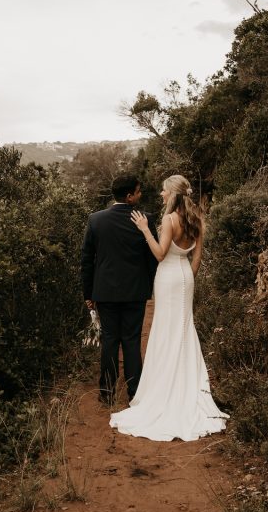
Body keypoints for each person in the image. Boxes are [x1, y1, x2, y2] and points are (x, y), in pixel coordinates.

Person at [109, 174, 228, 441]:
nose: (161, 194)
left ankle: (163, 392)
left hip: (167, 277)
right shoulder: (196, 218)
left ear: (172, 194)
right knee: (185, 329)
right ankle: (188, 387)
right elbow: (197, 259)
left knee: (165, 329)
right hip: (185, 276)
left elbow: (160, 254)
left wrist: (144, 229)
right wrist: (187, 277)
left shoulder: (168, 219)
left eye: (164, 191)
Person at [81, 174, 158, 406]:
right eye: (138, 191)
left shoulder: (96, 220)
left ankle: (107, 394)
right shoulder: (146, 219)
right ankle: (135, 393)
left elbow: (86, 261)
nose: (140, 194)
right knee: (132, 341)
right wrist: (147, 284)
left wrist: (88, 294)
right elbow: (152, 259)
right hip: (135, 292)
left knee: (110, 342)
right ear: (129, 196)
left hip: (104, 293)